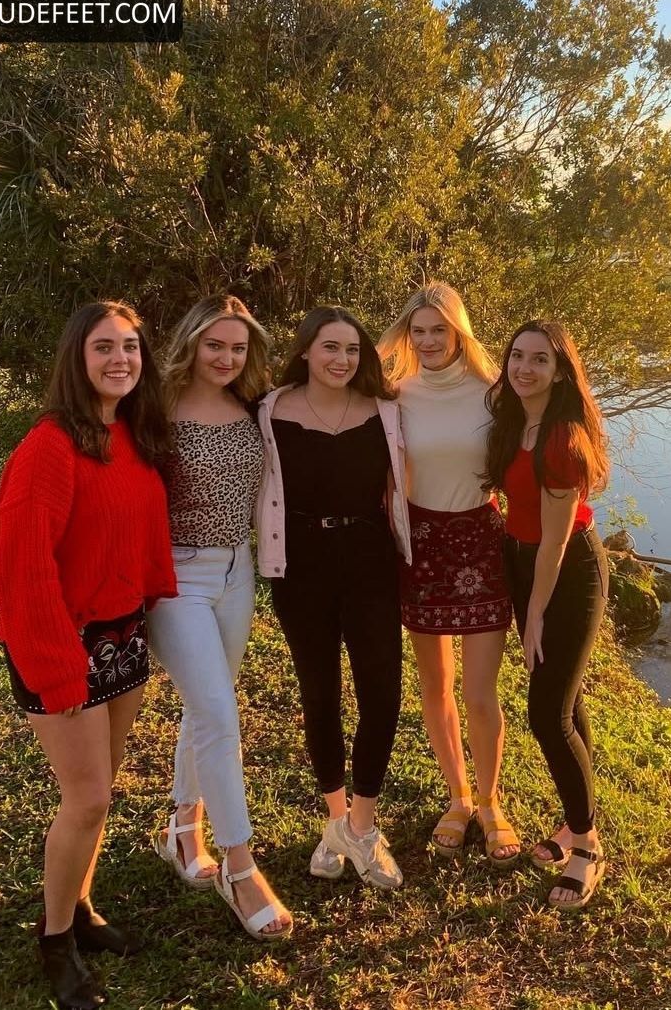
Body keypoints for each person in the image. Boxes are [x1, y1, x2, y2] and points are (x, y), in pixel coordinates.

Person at [0, 301, 177, 1010]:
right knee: (88, 797)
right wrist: (58, 669)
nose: (120, 359)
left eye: (130, 346)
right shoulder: (49, 447)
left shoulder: (128, 435)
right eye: (104, 347)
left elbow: (137, 524)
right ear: (77, 357)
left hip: (121, 636)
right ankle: (55, 940)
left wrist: (148, 596)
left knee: (103, 789)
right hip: (62, 645)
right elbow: (22, 569)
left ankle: (82, 905)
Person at [147, 293, 292, 940]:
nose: (227, 357)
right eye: (215, 345)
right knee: (219, 715)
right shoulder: (154, 409)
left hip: (238, 571)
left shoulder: (253, 404)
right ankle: (240, 865)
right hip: (176, 576)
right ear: (192, 342)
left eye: (237, 347)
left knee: (208, 706)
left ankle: (183, 827)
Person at [256, 306, 411, 889]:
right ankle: (335, 820)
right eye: (330, 347)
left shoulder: (386, 410)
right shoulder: (269, 410)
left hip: (371, 560)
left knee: (382, 692)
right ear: (305, 351)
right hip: (300, 566)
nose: (342, 359)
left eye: (352, 349)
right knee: (319, 693)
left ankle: (360, 827)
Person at [378, 283, 519, 866]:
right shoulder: (395, 395)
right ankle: (458, 798)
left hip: (480, 542)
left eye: (440, 330)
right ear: (408, 335)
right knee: (435, 686)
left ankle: (490, 802)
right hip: (422, 543)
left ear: (459, 332)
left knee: (480, 692)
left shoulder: (495, 393)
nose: (430, 341)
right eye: (419, 331)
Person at [483, 320, 611, 911]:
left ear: (561, 372)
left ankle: (587, 845)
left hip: (567, 572)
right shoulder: (514, 420)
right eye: (517, 356)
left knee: (547, 713)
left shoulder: (561, 439)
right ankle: (574, 822)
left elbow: (556, 541)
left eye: (540, 359)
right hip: (522, 561)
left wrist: (533, 614)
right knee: (566, 697)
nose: (524, 368)